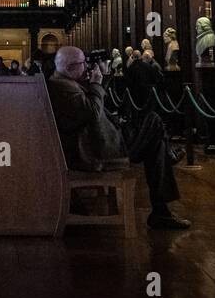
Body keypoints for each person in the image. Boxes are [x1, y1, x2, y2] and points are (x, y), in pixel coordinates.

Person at [46, 46, 190, 230]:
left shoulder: (61, 81)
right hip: (96, 152)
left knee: (155, 139)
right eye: (83, 64)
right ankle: (161, 210)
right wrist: (97, 83)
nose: (87, 67)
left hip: (97, 144)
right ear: (70, 68)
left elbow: (91, 106)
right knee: (154, 124)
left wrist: (101, 80)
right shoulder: (62, 88)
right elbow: (92, 111)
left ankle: (162, 208)